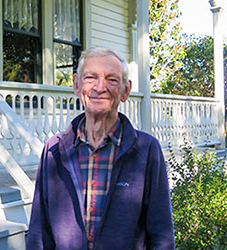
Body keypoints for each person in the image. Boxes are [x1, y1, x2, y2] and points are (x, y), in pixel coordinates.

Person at [26, 47, 175, 250]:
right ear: (77, 85)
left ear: (125, 90)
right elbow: (38, 234)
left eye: (112, 80)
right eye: (90, 77)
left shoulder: (146, 150)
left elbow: (161, 236)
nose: (100, 87)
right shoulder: (54, 150)